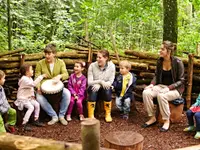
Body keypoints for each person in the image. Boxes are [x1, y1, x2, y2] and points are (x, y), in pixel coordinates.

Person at [142, 40, 185, 132]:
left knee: (161, 96)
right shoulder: (159, 61)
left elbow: (181, 80)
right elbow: (157, 76)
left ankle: (166, 120)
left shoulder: (178, 62)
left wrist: (169, 88)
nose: (160, 51)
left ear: (168, 51)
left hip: (175, 89)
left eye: (162, 49)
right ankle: (152, 117)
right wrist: (151, 85)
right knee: (146, 92)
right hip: (161, 86)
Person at [35, 43, 71, 125]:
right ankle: (54, 116)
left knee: (67, 94)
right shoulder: (40, 63)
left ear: (54, 54)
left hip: (57, 87)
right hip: (44, 88)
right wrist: (38, 87)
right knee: (39, 98)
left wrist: (60, 76)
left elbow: (66, 74)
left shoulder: (61, 63)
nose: (47, 56)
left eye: (49, 54)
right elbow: (37, 77)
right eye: (46, 54)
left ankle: (61, 116)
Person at [15, 64, 46, 131]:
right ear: (26, 72)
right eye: (31, 70)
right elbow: (33, 84)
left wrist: (33, 96)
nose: (33, 71)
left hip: (28, 98)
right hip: (22, 99)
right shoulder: (24, 79)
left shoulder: (29, 78)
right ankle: (23, 124)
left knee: (37, 104)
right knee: (31, 107)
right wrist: (41, 77)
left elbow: (31, 89)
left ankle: (36, 119)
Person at [87, 50, 116, 122]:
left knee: (107, 89)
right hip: (93, 87)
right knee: (94, 90)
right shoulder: (92, 66)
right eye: (97, 57)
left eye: (100, 58)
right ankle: (91, 115)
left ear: (106, 58)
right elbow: (89, 82)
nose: (97, 59)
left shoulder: (112, 66)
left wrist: (100, 85)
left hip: (104, 88)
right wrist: (100, 82)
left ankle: (108, 114)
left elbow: (111, 81)